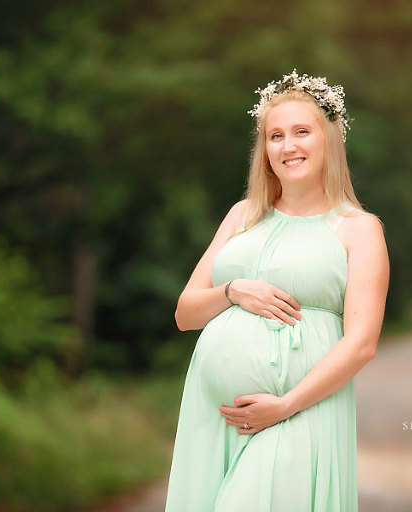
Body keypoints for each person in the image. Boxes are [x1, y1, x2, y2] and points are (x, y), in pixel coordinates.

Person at [165, 69, 390, 511]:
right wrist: (232, 291)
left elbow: (361, 344)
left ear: (328, 139)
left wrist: (284, 405)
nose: (288, 146)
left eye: (301, 132)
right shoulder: (243, 215)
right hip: (213, 421)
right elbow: (185, 314)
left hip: (297, 415)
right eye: (275, 136)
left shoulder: (358, 230)